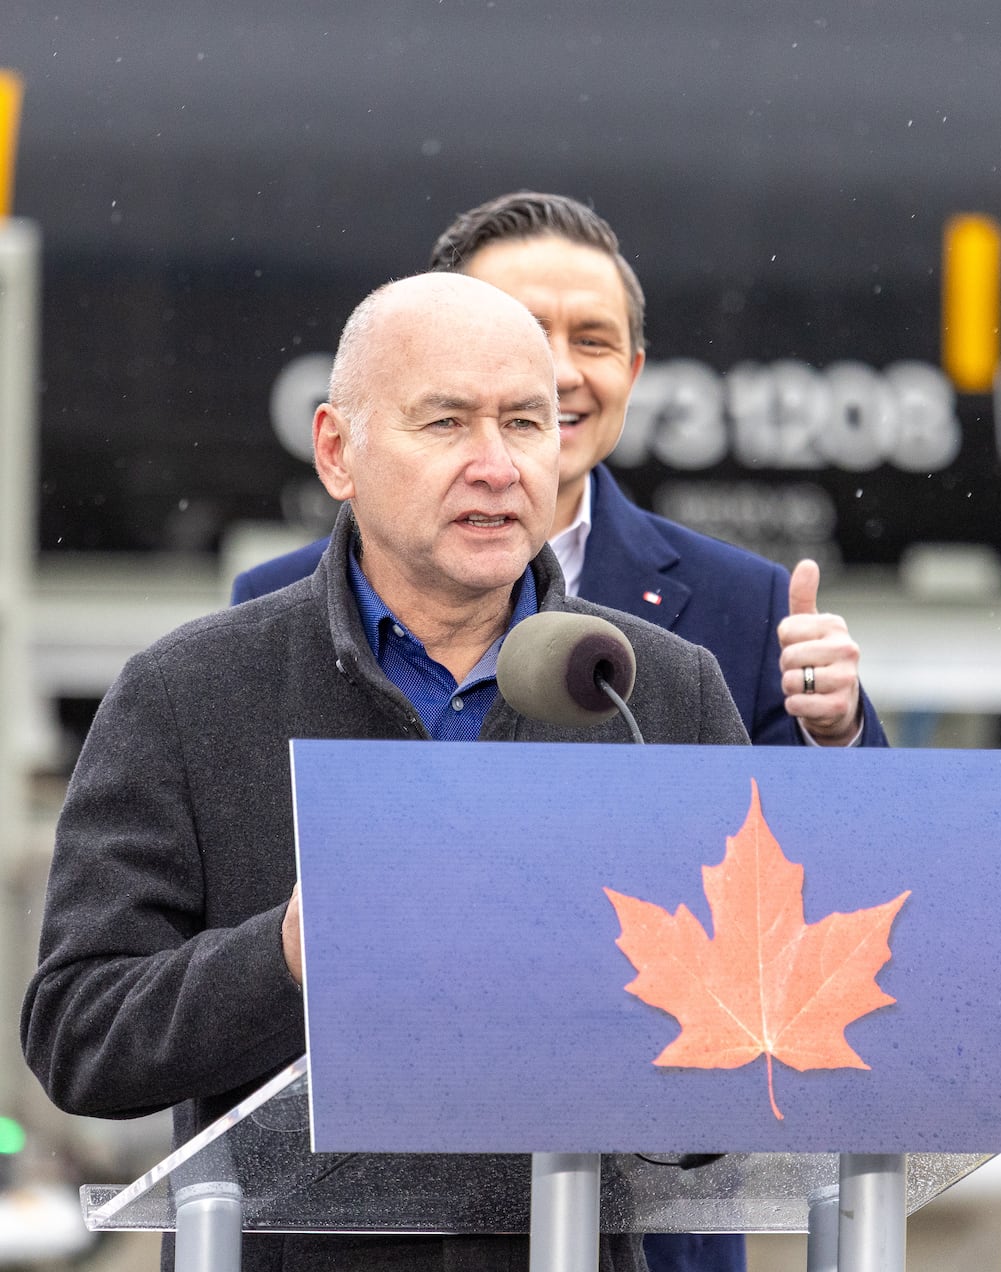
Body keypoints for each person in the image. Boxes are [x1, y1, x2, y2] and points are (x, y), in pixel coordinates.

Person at [21, 272, 749, 1272]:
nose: (495, 466)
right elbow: (80, 1035)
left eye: (525, 424)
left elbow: (740, 1066)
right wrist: (282, 959)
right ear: (337, 451)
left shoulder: (655, 692)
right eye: (445, 423)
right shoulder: (187, 695)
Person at [235, 191, 890, 758]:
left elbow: (794, 864)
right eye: (523, 332)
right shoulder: (274, 604)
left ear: (633, 376)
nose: (558, 374)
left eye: (593, 340)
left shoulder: (746, 605)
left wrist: (835, 737)